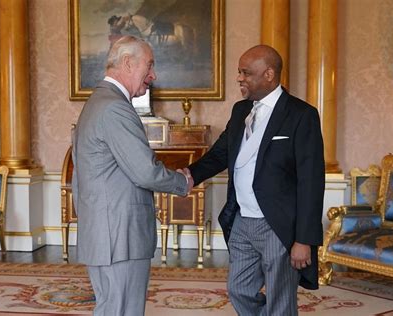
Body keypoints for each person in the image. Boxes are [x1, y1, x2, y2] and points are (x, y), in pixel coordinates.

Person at [185, 45, 325, 315]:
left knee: (280, 300)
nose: (239, 78)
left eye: (246, 73)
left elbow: (311, 182)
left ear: (269, 74)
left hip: (278, 226)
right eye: (239, 72)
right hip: (241, 221)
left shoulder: (301, 115)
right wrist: (190, 175)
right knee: (239, 290)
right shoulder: (240, 111)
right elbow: (219, 155)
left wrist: (304, 240)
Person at [71, 35, 193, 316]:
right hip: (119, 236)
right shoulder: (115, 107)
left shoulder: (97, 102)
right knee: (123, 310)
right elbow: (145, 171)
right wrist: (182, 182)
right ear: (128, 63)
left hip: (105, 232)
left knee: (112, 308)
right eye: (149, 65)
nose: (153, 75)